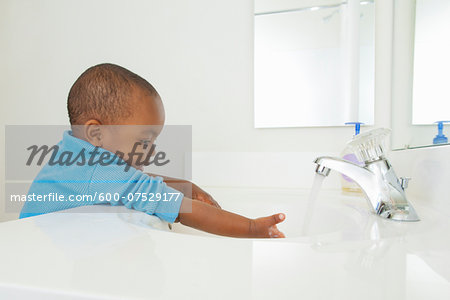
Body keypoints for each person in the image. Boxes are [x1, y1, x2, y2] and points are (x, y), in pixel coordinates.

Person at [20, 63, 286, 238]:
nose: (149, 153)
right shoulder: (97, 172)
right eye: (145, 141)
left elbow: (131, 182)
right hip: (39, 264)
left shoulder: (77, 154)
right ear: (96, 133)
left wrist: (183, 184)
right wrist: (252, 227)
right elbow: (185, 211)